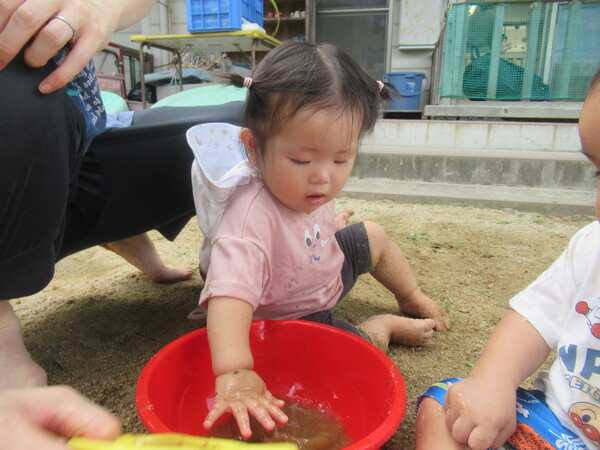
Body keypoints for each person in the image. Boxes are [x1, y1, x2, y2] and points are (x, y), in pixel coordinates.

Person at [0, 0, 243, 446]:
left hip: (87, 143)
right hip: (17, 166)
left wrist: (101, 6)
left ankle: (123, 230)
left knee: (240, 126)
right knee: (20, 86)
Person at [189, 41, 451, 440]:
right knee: (354, 355)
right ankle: (383, 328)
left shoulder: (309, 185)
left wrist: (333, 221)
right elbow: (229, 298)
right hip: (292, 320)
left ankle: (411, 296)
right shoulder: (247, 224)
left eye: (341, 159)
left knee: (372, 235)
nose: (323, 177)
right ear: (255, 149)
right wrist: (236, 371)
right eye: (301, 161)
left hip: (319, 267)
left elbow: (314, 218)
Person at [415, 69, 600, 450]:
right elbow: (534, 316)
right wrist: (493, 381)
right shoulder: (592, 245)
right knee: (445, 407)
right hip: (557, 422)